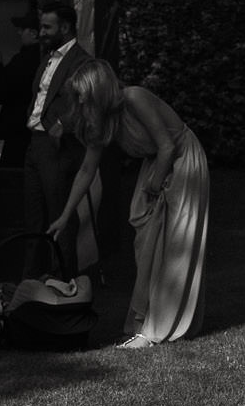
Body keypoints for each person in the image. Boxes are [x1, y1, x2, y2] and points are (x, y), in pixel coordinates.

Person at [49, 60, 208, 345]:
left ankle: (157, 328)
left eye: (83, 94)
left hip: (183, 162)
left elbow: (168, 145)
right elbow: (86, 171)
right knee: (146, 243)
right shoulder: (102, 120)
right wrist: (65, 215)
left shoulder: (134, 97)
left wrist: (154, 185)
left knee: (175, 243)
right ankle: (145, 320)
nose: (80, 101)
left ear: (98, 90)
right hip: (157, 164)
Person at [19, 4, 94, 277]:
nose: (42, 33)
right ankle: (32, 281)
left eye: (47, 27)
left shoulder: (82, 61)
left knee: (59, 217)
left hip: (57, 147)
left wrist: (64, 124)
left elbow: (90, 101)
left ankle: (63, 281)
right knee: (34, 218)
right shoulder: (48, 58)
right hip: (35, 143)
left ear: (65, 27)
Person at [0, 14, 42, 171]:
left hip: (19, 131)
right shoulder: (47, 59)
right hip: (37, 131)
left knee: (11, 179)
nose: (19, 33)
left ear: (34, 33)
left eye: (22, 30)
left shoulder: (24, 61)